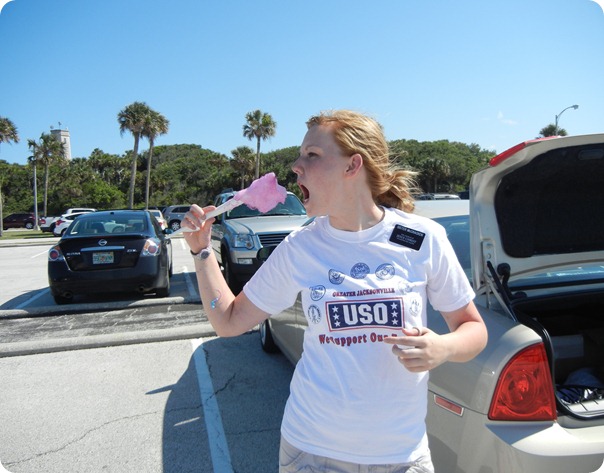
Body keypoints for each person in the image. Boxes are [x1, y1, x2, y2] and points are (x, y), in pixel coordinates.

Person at [182, 110, 488, 473]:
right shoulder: (300, 247)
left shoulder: (422, 238)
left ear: (352, 165)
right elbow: (228, 321)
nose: (296, 166)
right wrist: (202, 251)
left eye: (312, 155)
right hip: (312, 453)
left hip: (401, 456)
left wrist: (443, 348)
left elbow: (474, 329)